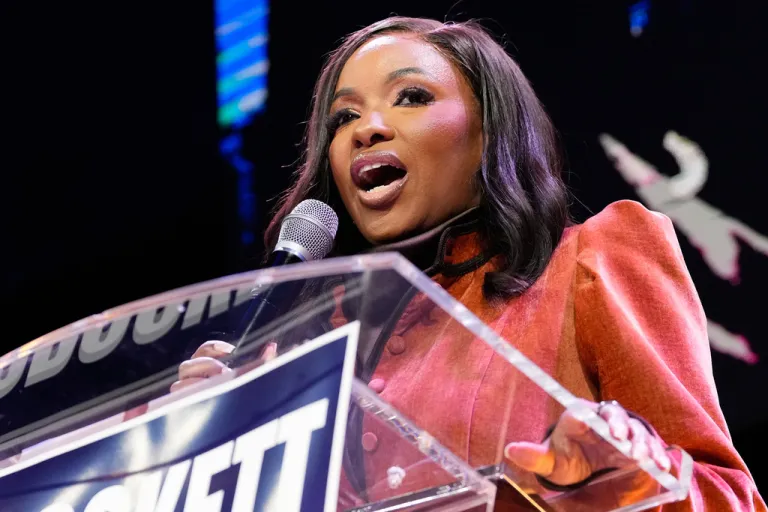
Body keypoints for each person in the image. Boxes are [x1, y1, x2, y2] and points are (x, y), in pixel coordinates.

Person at [173, 17, 765, 510]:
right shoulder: (305, 353)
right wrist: (204, 450)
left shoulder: (592, 258)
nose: (366, 129)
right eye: (344, 118)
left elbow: (726, 496)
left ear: (488, 134)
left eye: (411, 97)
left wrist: (628, 475)